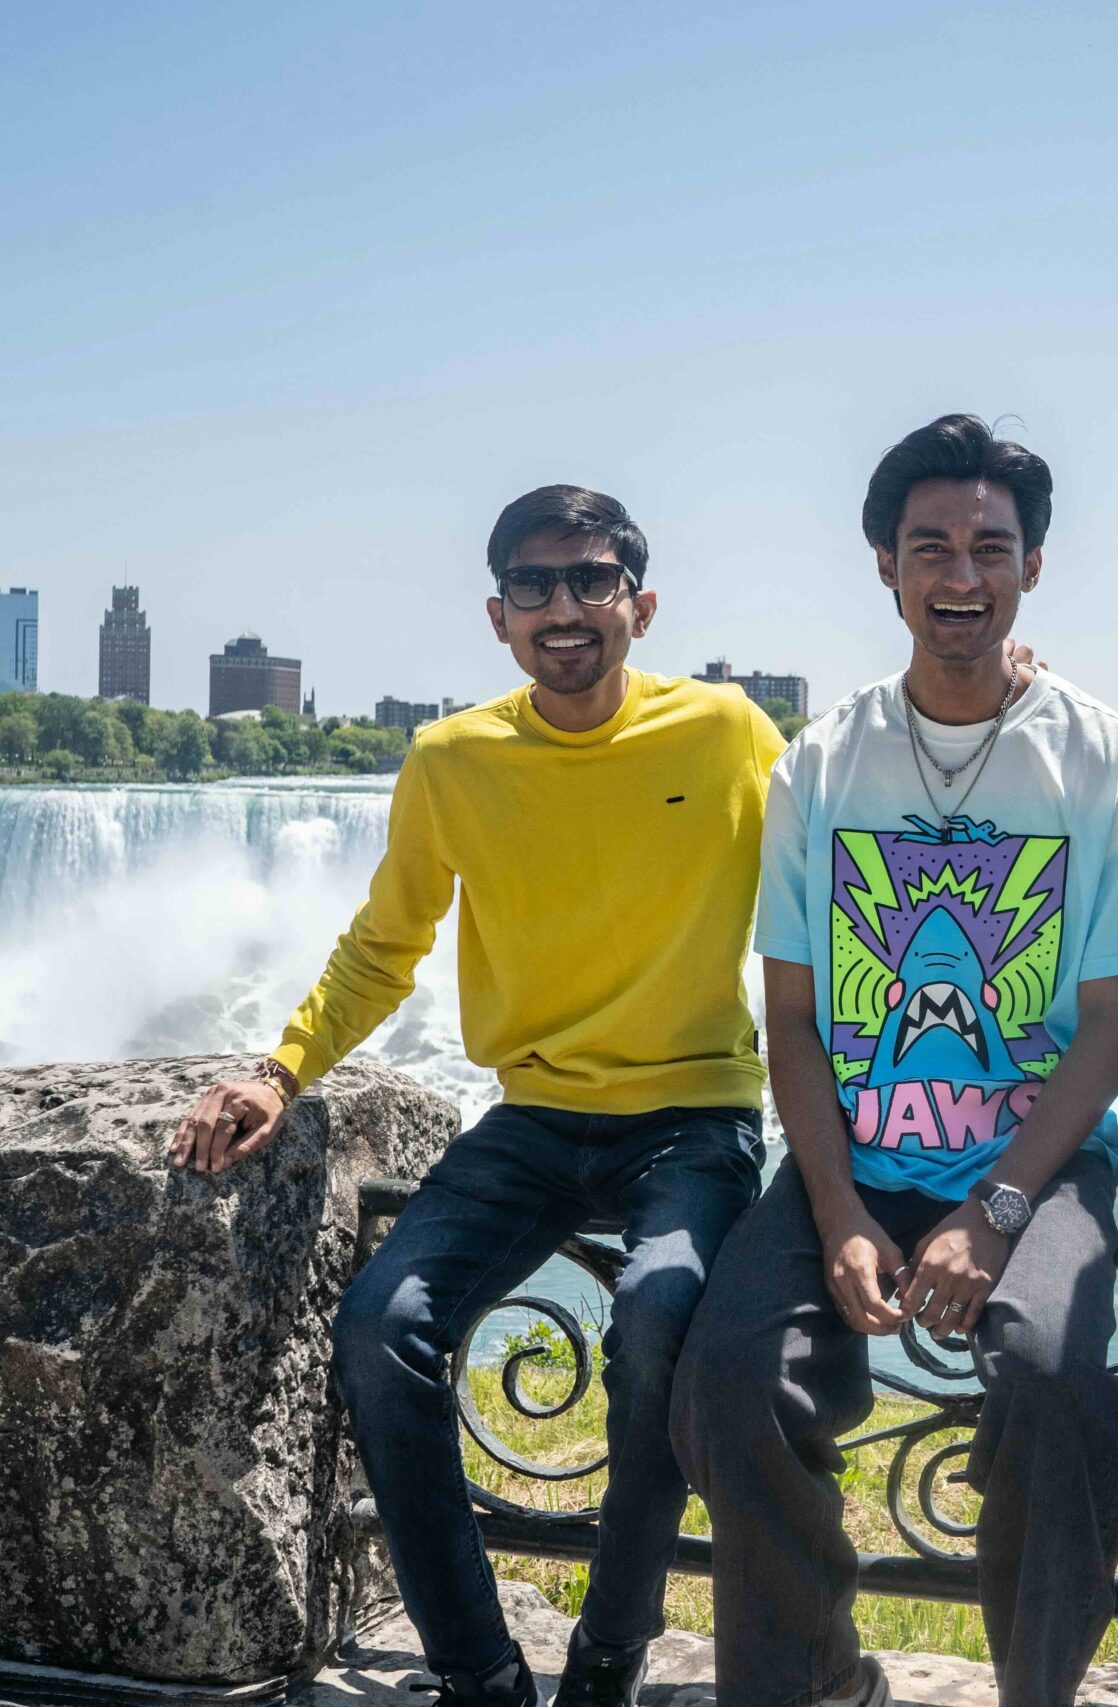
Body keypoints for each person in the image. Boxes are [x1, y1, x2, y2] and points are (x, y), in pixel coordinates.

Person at [168, 485, 781, 1707]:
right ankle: (479, 1675)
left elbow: (851, 843)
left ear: (639, 605)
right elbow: (383, 944)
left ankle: (607, 1655)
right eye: (535, 585)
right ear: (497, 615)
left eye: (590, 580)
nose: (564, 607)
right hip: (533, 1120)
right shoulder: (453, 758)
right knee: (378, 1332)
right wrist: (279, 1067)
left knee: (660, 1319)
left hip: (697, 1116)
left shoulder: (724, 733)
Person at [670, 414, 1118, 1707]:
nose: (962, 574)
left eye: (990, 547)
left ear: (1034, 565)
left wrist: (998, 1208)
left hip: (1039, 1161)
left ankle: (1035, 1690)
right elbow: (791, 1017)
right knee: (727, 1380)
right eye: (932, 546)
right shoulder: (820, 765)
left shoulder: (1106, 763)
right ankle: (819, 1676)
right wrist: (837, 1212)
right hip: (852, 1156)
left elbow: (1116, 1019)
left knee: (1059, 1389)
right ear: (886, 566)